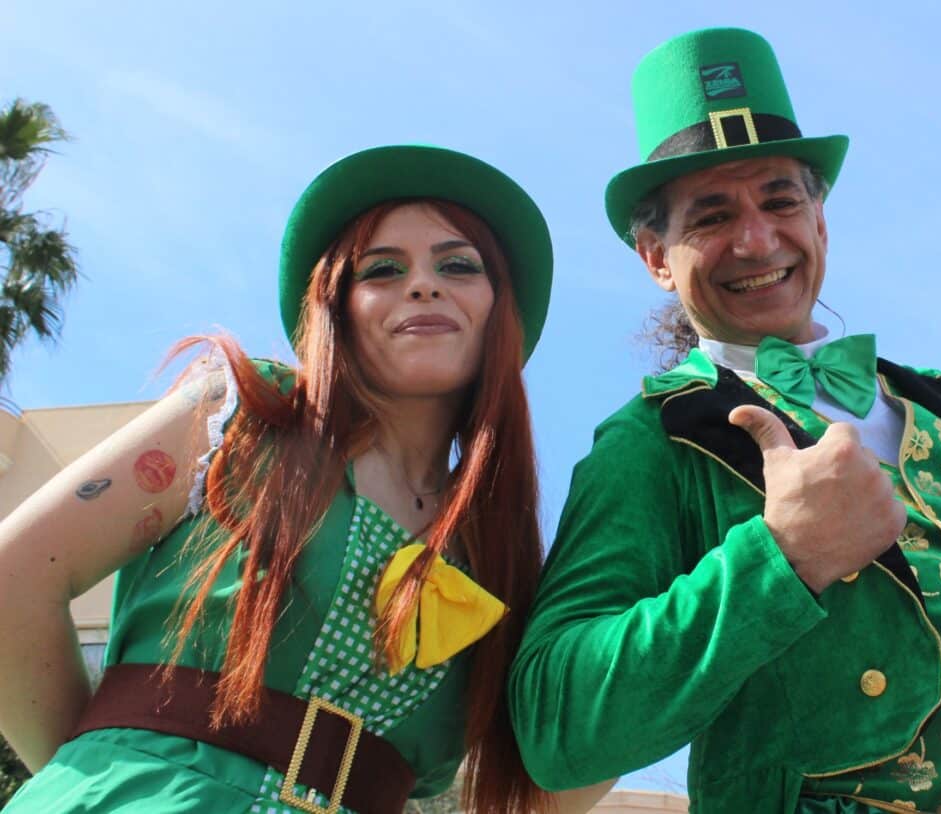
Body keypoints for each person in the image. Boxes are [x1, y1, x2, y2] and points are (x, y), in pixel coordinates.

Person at [509, 28, 941, 814]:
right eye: (710, 216)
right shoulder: (649, 440)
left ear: (820, 220)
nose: (757, 239)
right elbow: (552, 724)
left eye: (781, 200)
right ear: (655, 258)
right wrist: (780, 558)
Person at [0, 144, 560, 814]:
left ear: (500, 308)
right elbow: (15, 580)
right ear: (335, 307)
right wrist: (99, 772)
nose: (423, 284)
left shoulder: (500, 560)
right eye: (382, 269)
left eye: (457, 265)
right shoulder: (241, 417)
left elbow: (555, 773)